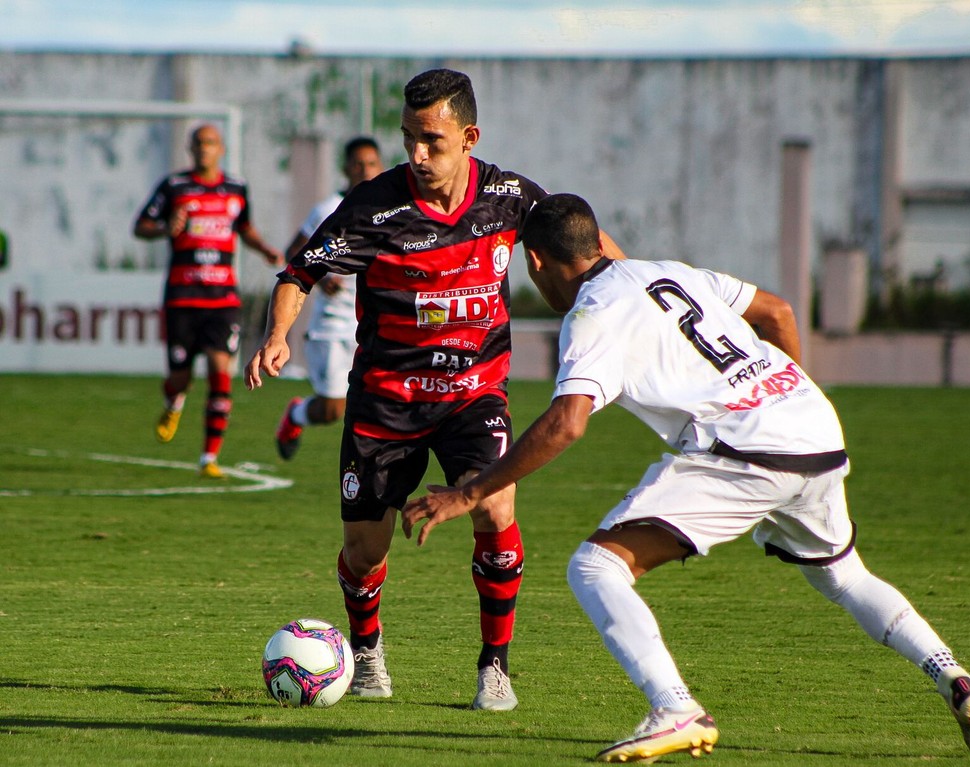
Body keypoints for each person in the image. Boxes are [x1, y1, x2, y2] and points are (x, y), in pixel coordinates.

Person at [403, 193, 970, 760]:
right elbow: (778, 311)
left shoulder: (593, 315)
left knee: (595, 567)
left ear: (536, 262)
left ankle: (675, 707)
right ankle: (957, 680)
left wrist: (469, 492)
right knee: (844, 577)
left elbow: (565, 424)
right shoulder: (667, 271)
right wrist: (779, 405)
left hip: (747, 448)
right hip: (813, 426)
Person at [245, 69, 625, 710]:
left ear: (469, 136)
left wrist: (631, 292)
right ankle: (365, 655)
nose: (417, 155)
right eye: (409, 139)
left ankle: (494, 667)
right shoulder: (373, 207)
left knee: (495, 509)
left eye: (432, 140)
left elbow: (586, 249)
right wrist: (278, 333)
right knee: (365, 552)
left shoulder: (510, 198)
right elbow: (299, 271)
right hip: (385, 401)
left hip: (475, 395)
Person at [134, 123, 283, 478]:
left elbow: (244, 227)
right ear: (190, 148)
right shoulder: (174, 187)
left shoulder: (236, 188)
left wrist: (265, 250)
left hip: (222, 297)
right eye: (199, 143)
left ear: (221, 149)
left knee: (221, 373)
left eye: (211, 143)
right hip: (183, 296)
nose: (205, 148)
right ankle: (174, 400)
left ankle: (209, 458)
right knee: (180, 377)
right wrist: (166, 226)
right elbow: (142, 225)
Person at [275, 136, 384, 460]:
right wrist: (321, 281)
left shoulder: (389, 208)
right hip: (332, 325)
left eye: (372, 163)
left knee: (381, 402)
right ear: (346, 168)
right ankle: (296, 414)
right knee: (332, 409)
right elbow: (293, 251)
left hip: (373, 323)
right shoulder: (328, 209)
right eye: (358, 164)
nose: (366, 170)